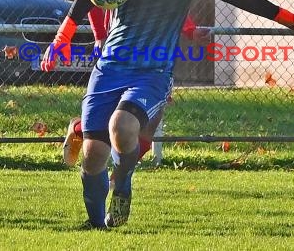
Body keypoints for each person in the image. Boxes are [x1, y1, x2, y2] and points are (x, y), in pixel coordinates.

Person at [42, 0, 294, 230]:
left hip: (152, 72)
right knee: (92, 156)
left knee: (123, 126)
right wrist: (63, 36)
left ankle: (121, 186)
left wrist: (288, 17)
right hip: (110, 68)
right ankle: (96, 227)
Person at [62, 12, 211, 168]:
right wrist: (100, 34)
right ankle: (80, 129)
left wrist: (190, 30)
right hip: (121, 53)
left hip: (157, 59)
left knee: (149, 120)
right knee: (116, 121)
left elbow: (173, 2)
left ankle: (118, 179)